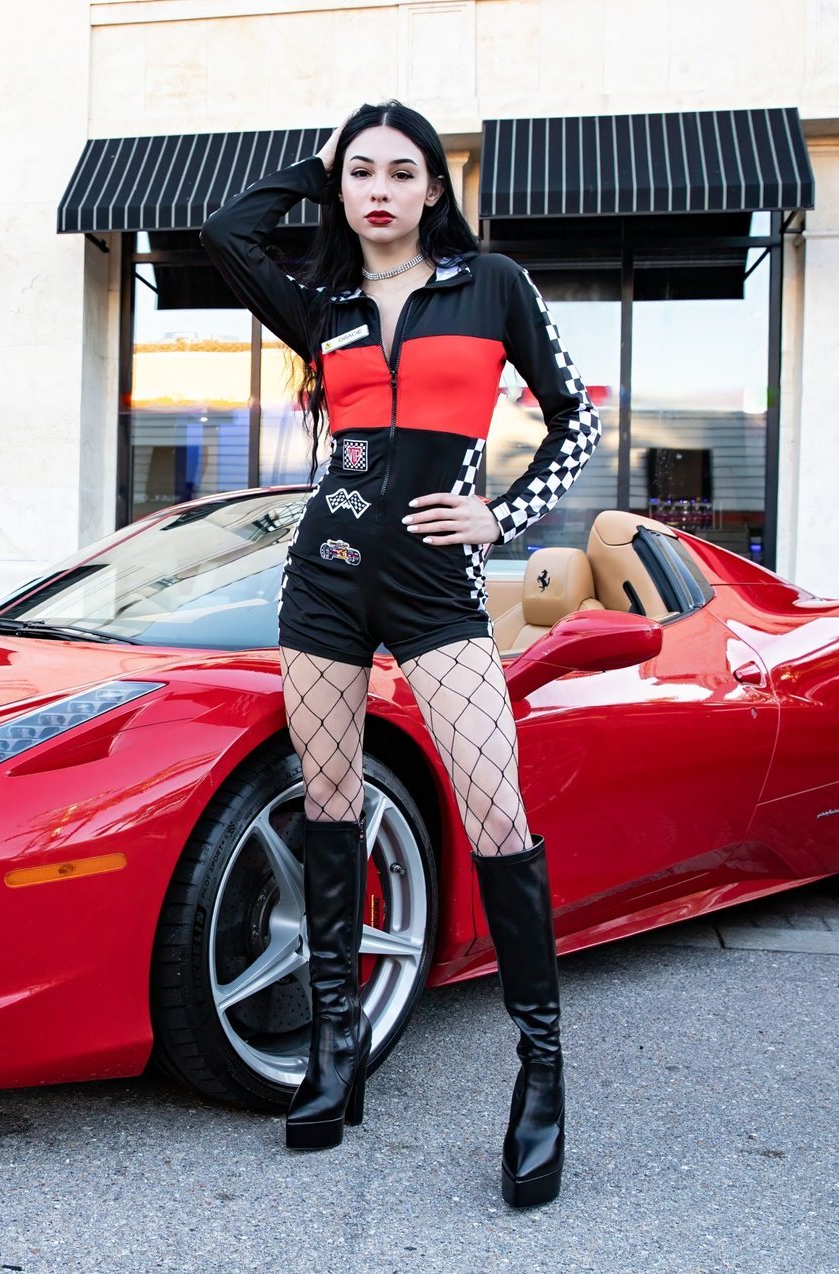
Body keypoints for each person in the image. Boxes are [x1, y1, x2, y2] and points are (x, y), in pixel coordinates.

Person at [201, 100, 601, 1208]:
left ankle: (540, 1076)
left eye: (401, 172)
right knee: (329, 798)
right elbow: (226, 230)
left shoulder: (491, 283)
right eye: (362, 173)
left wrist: (501, 516)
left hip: (435, 581)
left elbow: (575, 420)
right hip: (324, 574)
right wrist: (314, 158)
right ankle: (337, 1050)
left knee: (495, 811)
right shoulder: (321, 302)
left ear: (433, 187)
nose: (379, 190)